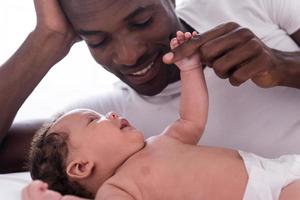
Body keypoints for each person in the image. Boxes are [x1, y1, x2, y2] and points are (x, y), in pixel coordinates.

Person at [0, 0, 300, 173]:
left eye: (142, 21)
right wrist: (46, 38)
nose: (128, 55)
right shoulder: (108, 127)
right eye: (98, 41)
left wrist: (283, 66)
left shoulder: (242, 4)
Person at [22, 32, 300, 200]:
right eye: (95, 120)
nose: (111, 114)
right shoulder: (118, 190)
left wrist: (189, 69)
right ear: (81, 167)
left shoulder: (161, 143)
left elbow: (192, 119)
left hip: (276, 169)